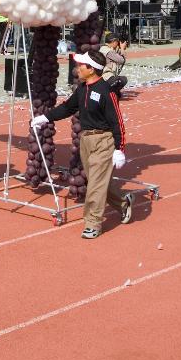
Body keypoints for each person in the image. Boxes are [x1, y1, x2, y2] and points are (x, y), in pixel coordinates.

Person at [33, 50, 134, 237]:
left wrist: (119, 149)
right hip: (86, 141)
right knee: (99, 182)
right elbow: (67, 108)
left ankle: (93, 224)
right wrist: (45, 117)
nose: (77, 68)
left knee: (95, 185)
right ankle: (122, 203)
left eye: (81, 65)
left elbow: (117, 121)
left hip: (104, 141)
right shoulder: (82, 89)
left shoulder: (106, 91)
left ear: (92, 69)